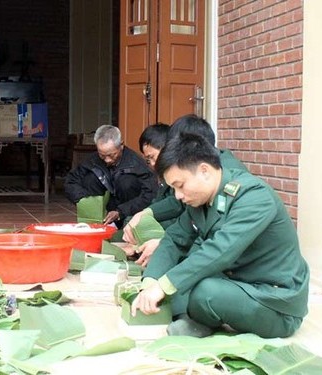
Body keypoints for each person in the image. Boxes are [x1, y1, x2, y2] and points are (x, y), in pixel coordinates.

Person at [131, 132, 309, 338]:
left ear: (204, 171)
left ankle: (200, 318)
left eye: (180, 186)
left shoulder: (254, 196)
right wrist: (151, 283)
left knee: (203, 292)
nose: (178, 195)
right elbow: (173, 239)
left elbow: (220, 250)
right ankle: (198, 319)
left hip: (273, 300)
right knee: (176, 286)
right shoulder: (201, 200)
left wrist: (164, 285)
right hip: (237, 285)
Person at [123, 115, 248, 266]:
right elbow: (177, 205)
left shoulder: (226, 176)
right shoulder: (194, 171)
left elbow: (214, 244)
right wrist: (146, 213)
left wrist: (163, 247)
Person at [63, 125, 158, 228]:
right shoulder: (92, 161)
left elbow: (149, 194)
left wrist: (120, 211)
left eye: (112, 155)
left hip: (127, 212)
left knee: (126, 182)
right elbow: (70, 182)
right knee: (90, 178)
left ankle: (125, 225)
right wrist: (88, 200)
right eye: (102, 155)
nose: (107, 160)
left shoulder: (136, 163)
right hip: (101, 212)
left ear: (121, 145)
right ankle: (96, 225)